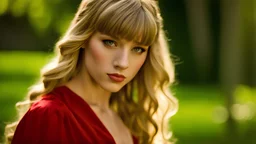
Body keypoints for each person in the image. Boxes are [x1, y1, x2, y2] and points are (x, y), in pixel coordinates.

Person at [5, 0, 178, 143]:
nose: (123, 63)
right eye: (110, 42)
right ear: (84, 38)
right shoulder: (50, 116)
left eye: (138, 49)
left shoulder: (131, 122)